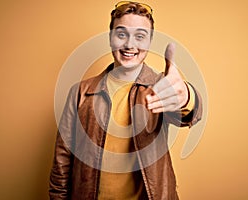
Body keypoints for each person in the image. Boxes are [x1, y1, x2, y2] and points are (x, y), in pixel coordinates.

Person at [49, 1, 202, 199]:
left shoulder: (161, 87)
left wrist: (187, 96)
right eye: (121, 34)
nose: (130, 44)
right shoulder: (80, 92)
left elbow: (189, 114)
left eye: (140, 36)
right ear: (111, 38)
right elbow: (62, 159)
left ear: (149, 42)